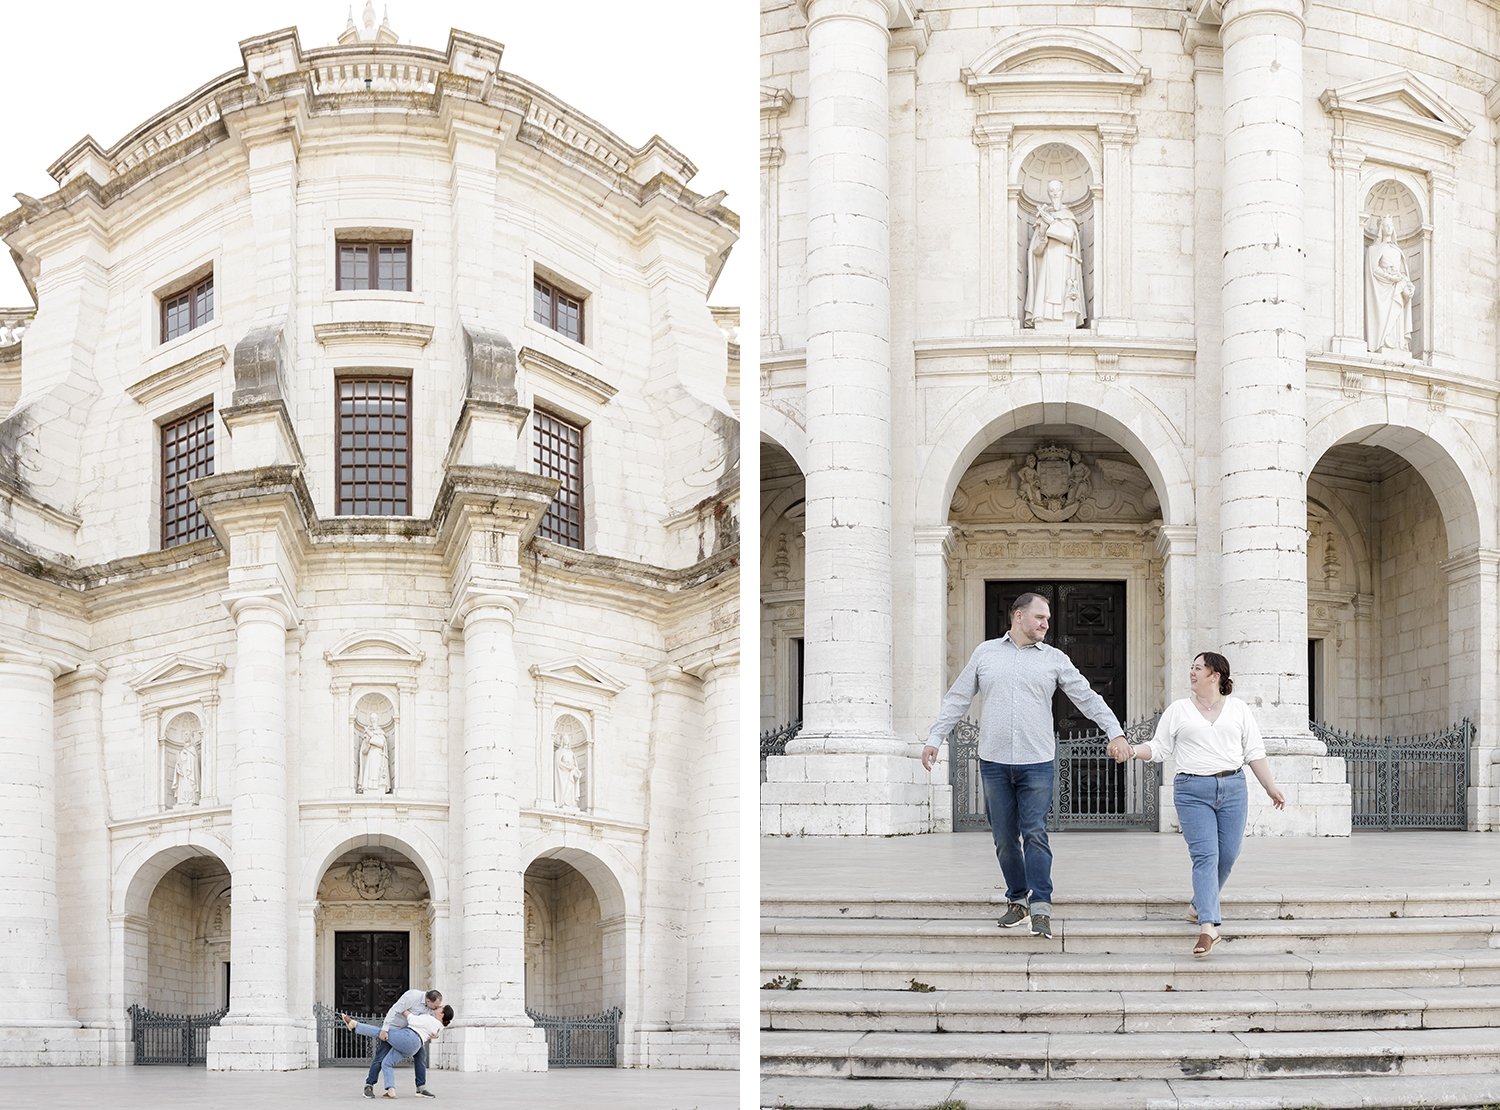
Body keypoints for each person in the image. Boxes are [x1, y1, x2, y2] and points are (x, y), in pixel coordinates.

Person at [923, 592, 1126, 939]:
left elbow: (1087, 696)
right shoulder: (985, 653)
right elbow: (958, 697)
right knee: (1004, 838)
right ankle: (1017, 900)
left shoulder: (1055, 659)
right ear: (1018, 616)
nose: (1047, 624)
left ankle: (1041, 905)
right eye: (1040, 618)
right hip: (994, 762)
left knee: (1034, 832)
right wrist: (935, 737)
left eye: (1047, 619)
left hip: (1037, 762)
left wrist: (1116, 732)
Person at [1114, 651, 1285, 957]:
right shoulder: (1178, 710)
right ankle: (1209, 926)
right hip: (1192, 790)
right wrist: (1132, 751)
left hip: (1233, 788)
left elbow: (1254, 752)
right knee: (1205, 855)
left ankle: (1197, 904)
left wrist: (1271, 788)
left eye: (1197, 668)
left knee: (1228, 855)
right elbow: (1160, 747)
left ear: (1215, 675)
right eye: (1191, 668)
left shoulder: (1239, 710)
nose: (1191, 673)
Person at [344, 1002, 452, 1099]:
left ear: (441, 1014)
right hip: (413, 1047)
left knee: (381, 1033)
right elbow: (436, 1033)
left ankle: (355, 1025)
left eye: (440, 1007)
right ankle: (391, 1090)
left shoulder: (430, 1019)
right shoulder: (439, 1026)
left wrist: (404, 1009)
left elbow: (413, 1020)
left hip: (408, 1037)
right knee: (387, 1063)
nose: (438, 1007)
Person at [360, 988, 444, 1099]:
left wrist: (436, 1034)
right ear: (428, 1001)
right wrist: (385, 1029)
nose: (436, 1008)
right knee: (380, 1057)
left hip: (411, 1035)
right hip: (394, 1029)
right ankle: (369, 1085)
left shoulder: (431, 1008)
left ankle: (421, 1088)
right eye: (435, 1006)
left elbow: (436, 1024)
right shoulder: (412, 996)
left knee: (421, 1056)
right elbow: (394, 1010)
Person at [1024, 179, 1085, 328]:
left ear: (1062, 191)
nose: (1054, 193)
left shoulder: (1068, 216)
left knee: (1061, 289)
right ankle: (1044, 316)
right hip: (1048, 259)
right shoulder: (1043, 217)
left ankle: (1065, 318)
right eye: (1051, 190)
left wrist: (1052, 223)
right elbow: (1036, 250)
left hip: (1064, 259)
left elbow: (1070, 237)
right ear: (1048, 193)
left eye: (1057, 189)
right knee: (1046, 290)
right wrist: (1043, 235)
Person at [1365, 214, 1414, 354]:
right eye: (1386, 225)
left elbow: (1404, 274)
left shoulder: (1397, 250)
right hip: (1383, 288)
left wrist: (1407, 285)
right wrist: (1390, 277)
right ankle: (1383, 342)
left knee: (1397, 315)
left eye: (1391, 225)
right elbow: (1374, 269)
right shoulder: (1375, 249)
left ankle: (1398, 345)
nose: (1389, 228)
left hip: (1397, 288)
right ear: (1381, 228)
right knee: (1384, 318)